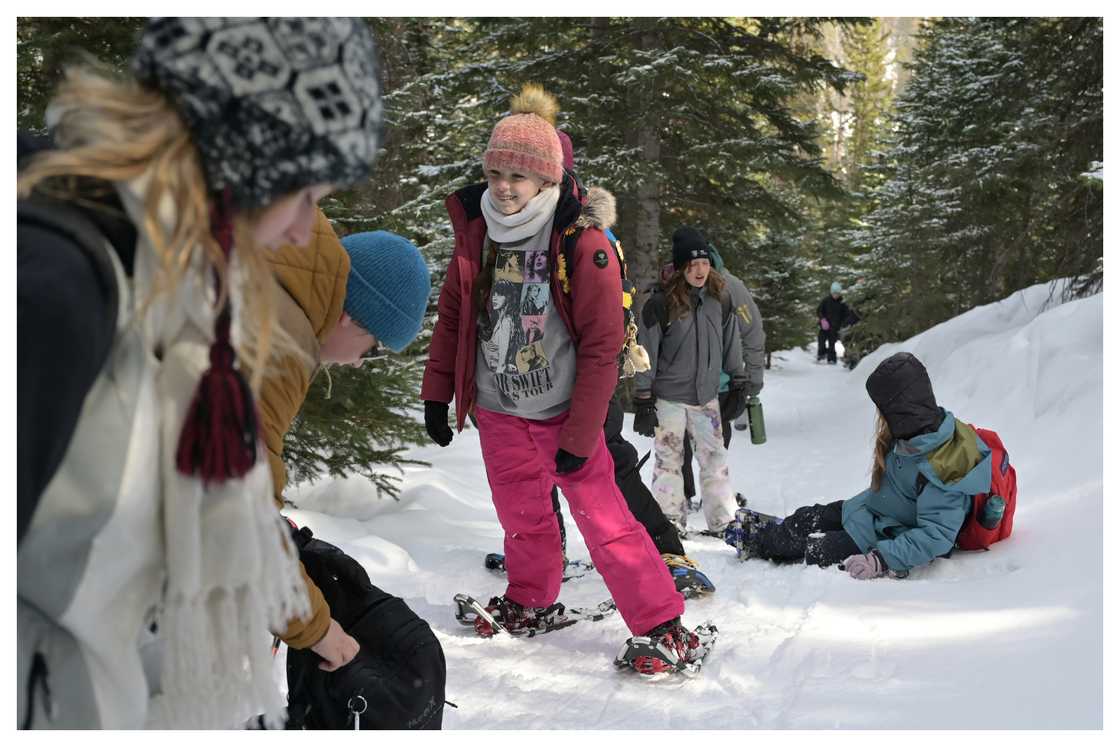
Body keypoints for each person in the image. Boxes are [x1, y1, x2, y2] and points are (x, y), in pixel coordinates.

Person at [17, 17, 384, 729]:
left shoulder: (182, 302)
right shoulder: (60, 289)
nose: (309, 230)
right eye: (305, 194)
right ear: (247, 160)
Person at [421, 84, 705, 674]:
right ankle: (530, 599)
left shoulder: (583, 242)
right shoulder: (479, 231)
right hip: (499, 409)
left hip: (561, 413)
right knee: (522, 515)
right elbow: (454, 315)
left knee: (607, 523)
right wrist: (437, 391)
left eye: (517, 177)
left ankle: (663, 624)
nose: (503, 186)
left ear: (547, 179)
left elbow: (603, 348)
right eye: (495, 172)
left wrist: (580, 436)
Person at [255, 222, 444, 729]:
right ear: (347, 314)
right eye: (374, 345)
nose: (362, 363)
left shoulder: (269, 294)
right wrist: (318, 631)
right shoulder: (277, 345)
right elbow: (233, 523)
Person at [735, 352, 992, 577]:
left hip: (885, 537)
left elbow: (936, 537)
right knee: (809, 516)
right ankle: (776, 531)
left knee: (813, 549)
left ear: (900, 409)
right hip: (870, 512)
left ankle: (758, 540)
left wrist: (880, 560)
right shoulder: (917, 433)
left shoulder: (946, 462)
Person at [633, 227, 748, 536]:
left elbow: (730, 342)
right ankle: (669, 521)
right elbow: (645, 353)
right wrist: (643, 397)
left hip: (706, 396)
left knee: (715, 458)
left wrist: (739, 380)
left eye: (704, 263)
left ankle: (723, 520)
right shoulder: (660, 303)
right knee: (669, 461)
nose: (699, 270)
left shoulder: (719, 299)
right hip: (669, 397)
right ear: (682, 267)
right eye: (692, 265)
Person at [679, 242, 765, 498]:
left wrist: (753, 379)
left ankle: (715, 493)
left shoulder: (730, 287)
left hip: (722, 382)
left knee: (715, 439)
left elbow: (752, 334)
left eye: (704, 263)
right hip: (682, 383)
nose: (699, 270)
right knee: (680, 441)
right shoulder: (677, 285)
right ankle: (684, 494)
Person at [817, 280, 852, 364]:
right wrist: (822, 319)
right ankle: (821, 355)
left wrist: (843, 324)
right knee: (821, 341)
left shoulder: (842, 302)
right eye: (834, 293)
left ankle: (832, 358)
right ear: (831, 293)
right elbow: (819, 310)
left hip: (835, 327)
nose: (835, 295)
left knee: (832, 343)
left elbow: (846, 314)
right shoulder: (826, 300)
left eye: (837, 293)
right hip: (824, 326)